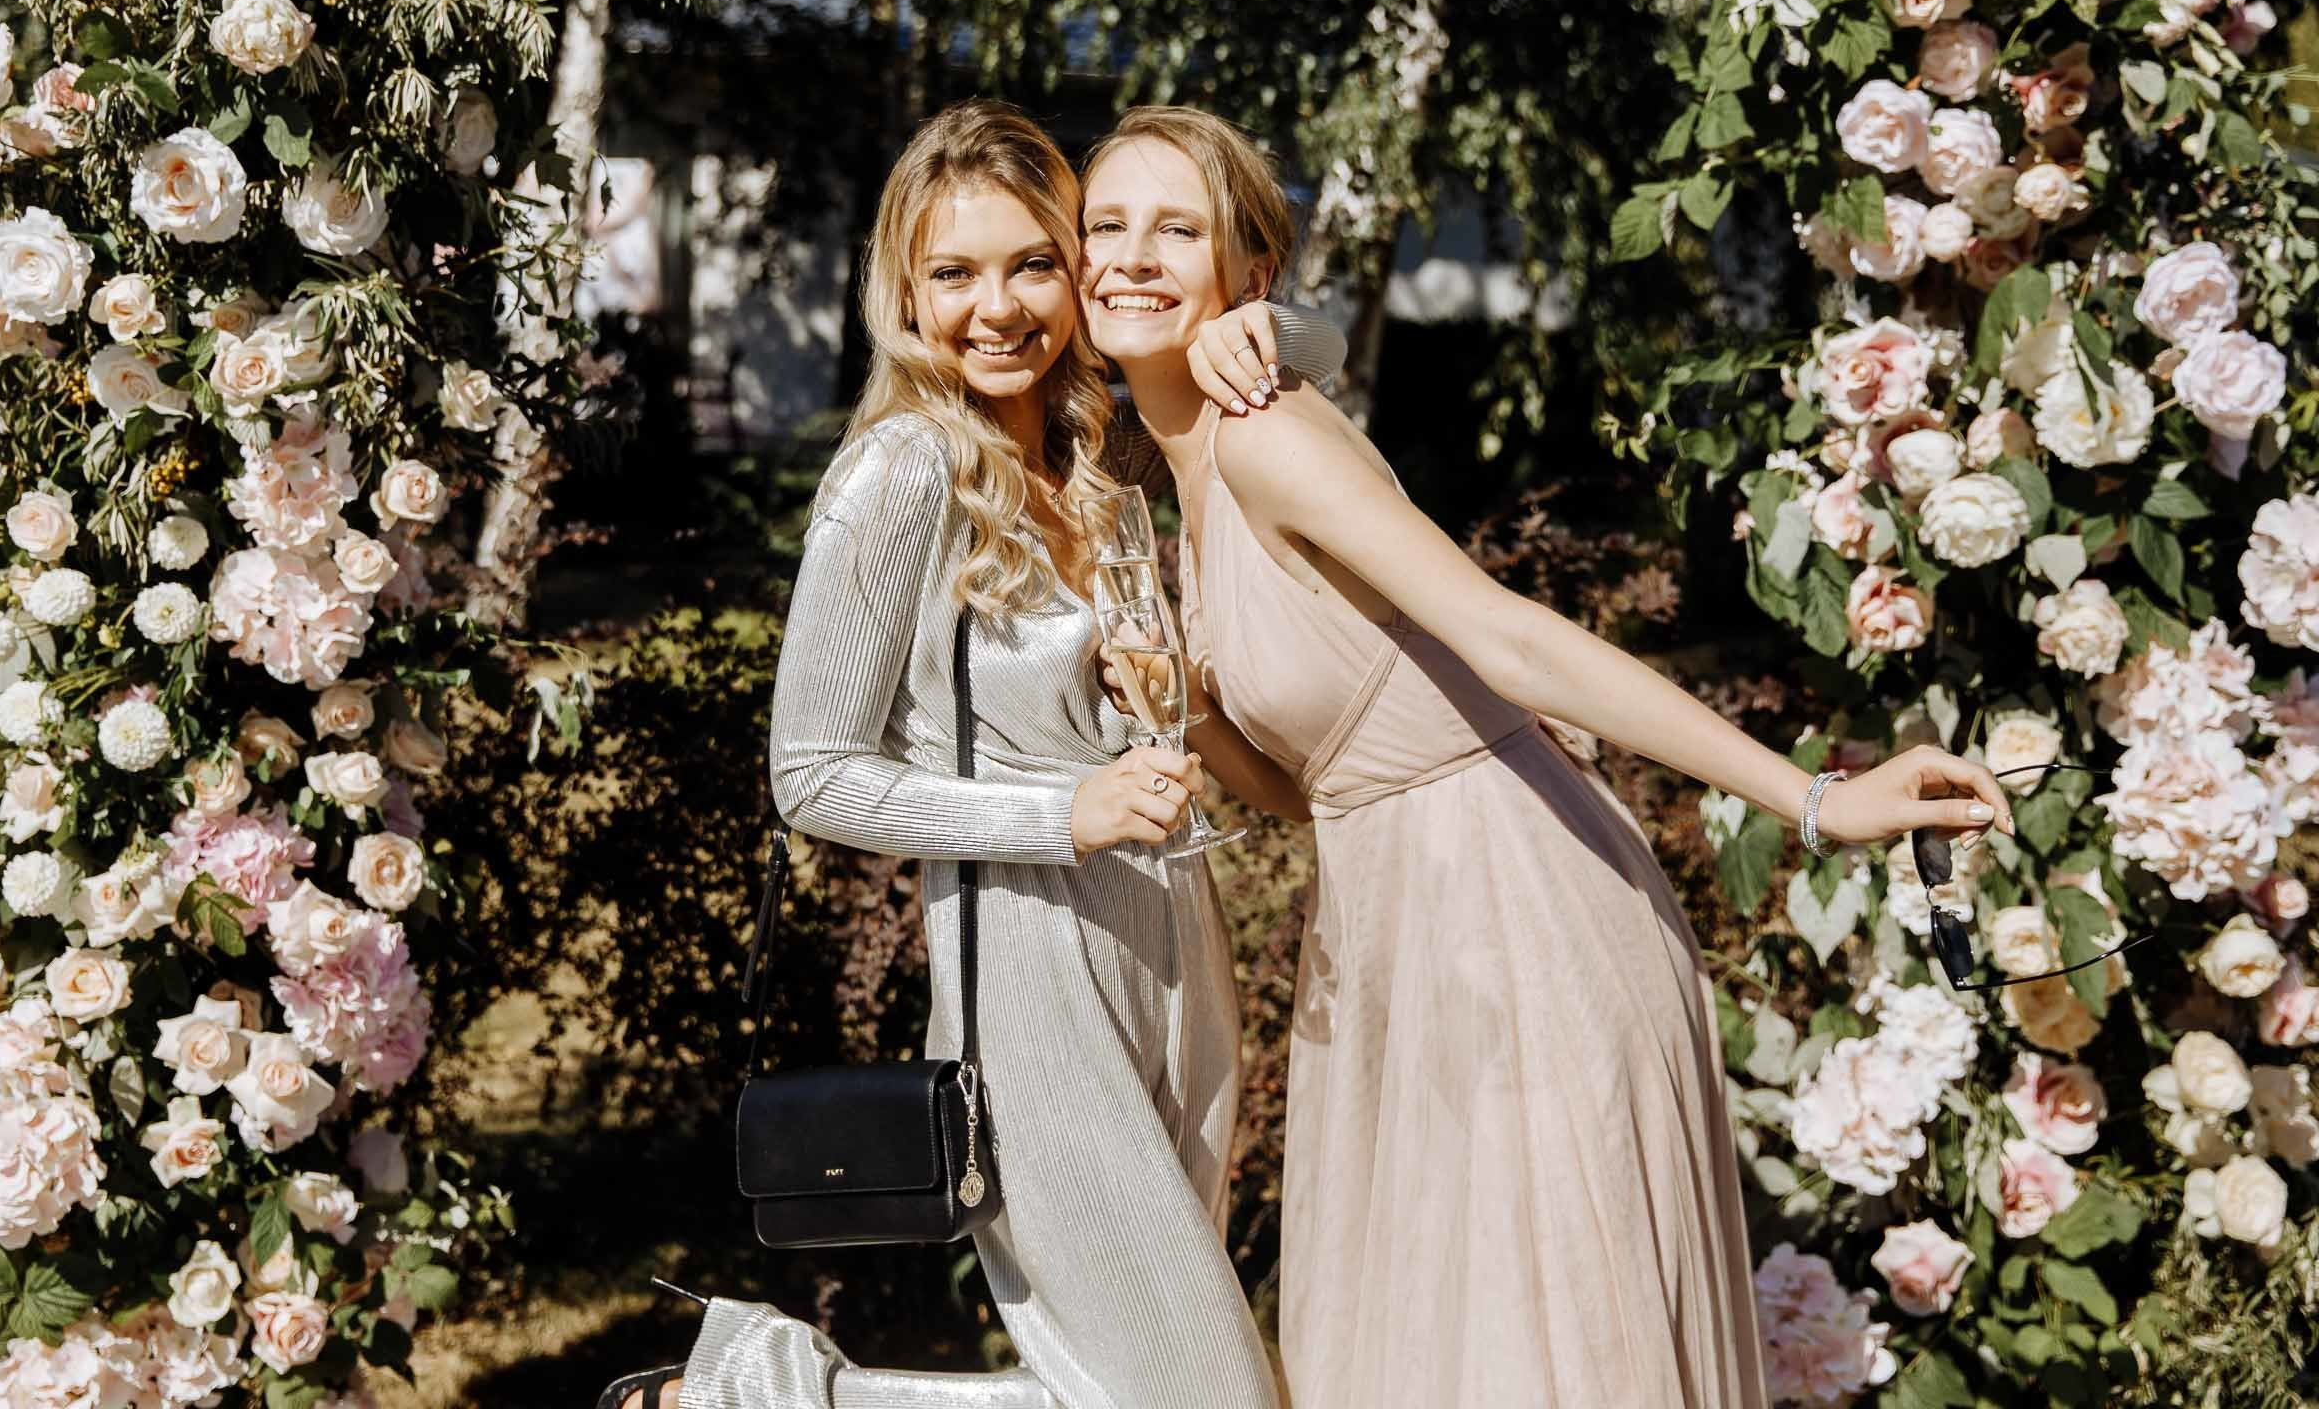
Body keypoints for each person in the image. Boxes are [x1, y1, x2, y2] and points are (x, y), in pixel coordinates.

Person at [1076, 105, 2016, 1409]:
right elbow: (1312, 792)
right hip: (1392, 916)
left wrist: (1815, 799)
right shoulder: (1156, 485)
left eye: (1174, 228)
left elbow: (1506, 637)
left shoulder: (1264, 432)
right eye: (1103, 227)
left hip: (1516, 904)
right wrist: (1190, 710)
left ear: (1248, 272)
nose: (1128, 256)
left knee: (1537, 1351)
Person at [599, 98, 1342, 1409]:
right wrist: (1066, 813)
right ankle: (759, 1394)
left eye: (1030, 264)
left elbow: (1310, 353)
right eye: (954, 272)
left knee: (1124, 1382)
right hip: (1035, 970)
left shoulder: (1089, 458)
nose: (995, 307)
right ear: (904, 289)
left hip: (1176, 948)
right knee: (1210, 1395)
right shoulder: (900, 475)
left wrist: (1274, 326)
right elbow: (809, 773)